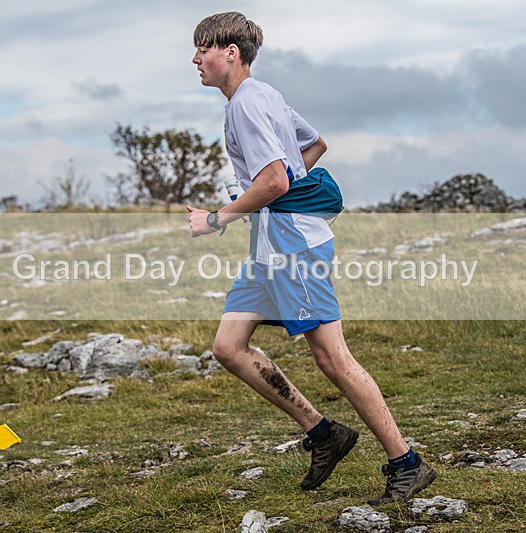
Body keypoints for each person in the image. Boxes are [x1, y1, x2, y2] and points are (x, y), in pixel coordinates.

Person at [186, 11, 436, 504]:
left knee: (332, 358)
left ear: (230, 53)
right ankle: (324, 434)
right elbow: (314, 145)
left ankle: (406, 462)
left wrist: (219, 217)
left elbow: (276, 180)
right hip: (270, 249)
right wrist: (280, 196)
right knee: (228, 347)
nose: (195, 59)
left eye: (202, 49)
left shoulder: (245, 106)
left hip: (294, 248)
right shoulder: (264, 96)